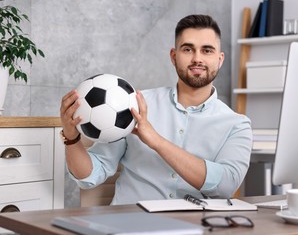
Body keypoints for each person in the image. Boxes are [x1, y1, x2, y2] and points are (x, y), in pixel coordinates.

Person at [60, 14, 253, 205]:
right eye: (188, 49)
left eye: (207, 50)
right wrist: (71, 139)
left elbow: (226, 185)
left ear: (219, 59)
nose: (197, 58)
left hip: (194, 227)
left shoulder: (237, 125)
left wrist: (156, 141)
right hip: (129, 225)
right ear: (174, 56)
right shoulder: (133, 105)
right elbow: (91, 175)